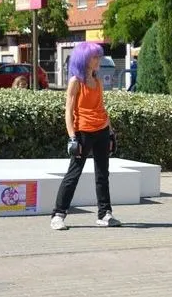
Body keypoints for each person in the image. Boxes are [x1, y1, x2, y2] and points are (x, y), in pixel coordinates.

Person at [49, 42, 121, 230]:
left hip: (102, 130)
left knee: (103, 174)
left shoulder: (97, 80)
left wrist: (111, 131)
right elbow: (68, 111)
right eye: (95, 56)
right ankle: (58, 214)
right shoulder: (76, 81)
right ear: (84, 59)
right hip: (83, 132)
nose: (99, 60)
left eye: (99, 56)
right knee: (74, 174)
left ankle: (105, 214)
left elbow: (101, 108)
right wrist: (72, 137)